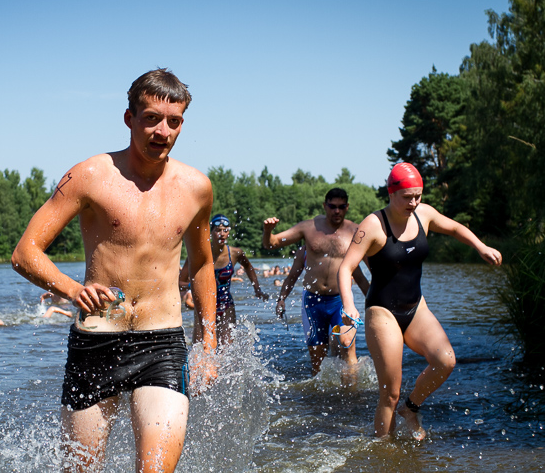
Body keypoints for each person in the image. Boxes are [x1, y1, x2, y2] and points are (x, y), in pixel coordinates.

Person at [11, 69, 217, 473]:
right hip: (97, 342)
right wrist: (72, 290)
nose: (163, 131)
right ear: (129, 118)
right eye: (151, 119)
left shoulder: (197, 187)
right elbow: (25, 252)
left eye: (174, 122)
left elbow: (204, 264)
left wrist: (207, 340)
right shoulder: (91, 175)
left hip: (163, 342)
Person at [337, 163, 502, 440]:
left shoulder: (423, 214)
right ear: (391, 193)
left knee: (445, 360)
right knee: (390, 392)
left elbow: (454, 228)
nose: (413, 202)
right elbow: (345, 268)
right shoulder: (374, 224)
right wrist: (349, 305)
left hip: (416, 307)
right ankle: (382, 452)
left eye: (418, 196)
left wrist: (480, 246)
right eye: (407, 197)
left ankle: (410, 409)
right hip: (382, 311)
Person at [263, 188, 370, 377]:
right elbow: (272, 244)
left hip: (341, 302)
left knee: (347, 349)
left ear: (347, 207)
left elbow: (363, 275)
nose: (337, 211)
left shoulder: (355, 231)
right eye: (332, 206)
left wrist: (378, 304)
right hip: (313, 303)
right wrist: (268, 231)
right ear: (325, 205)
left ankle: (352, 400)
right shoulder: (309, 228)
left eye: (341, 207)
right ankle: (319, 402)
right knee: (318, 364)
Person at [181, 214, 268, 347]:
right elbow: (180, 282)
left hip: (225, 303)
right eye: (218, 230)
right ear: (211, 232)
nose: (222, 234)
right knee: (200, 347)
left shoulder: (235, 253)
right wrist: (195, 285)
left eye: (225, 230)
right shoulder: (199, 253)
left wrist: (257, 289)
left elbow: (249, 268)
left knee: (225, 350)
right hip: (203, 304)